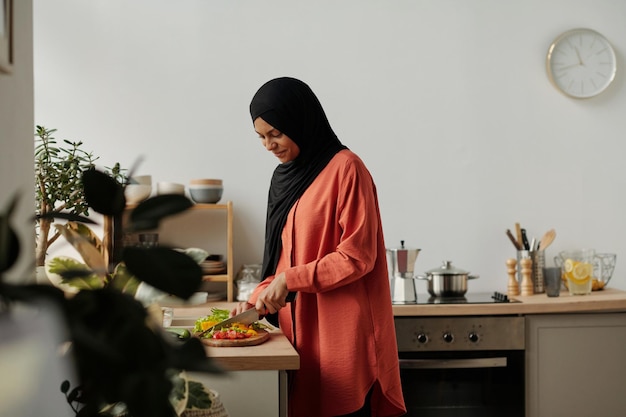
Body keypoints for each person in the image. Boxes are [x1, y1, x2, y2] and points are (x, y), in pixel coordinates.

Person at [234, 77, 406, 417]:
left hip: (342, 333)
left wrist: (290, 280)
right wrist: (256, 299)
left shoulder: (347, 169)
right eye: (261, 137)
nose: (269, 145)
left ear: (300, 121)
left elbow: (357, 256)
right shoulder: (284, 178)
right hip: (297, 337)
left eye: (276, 134)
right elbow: (281, 258)